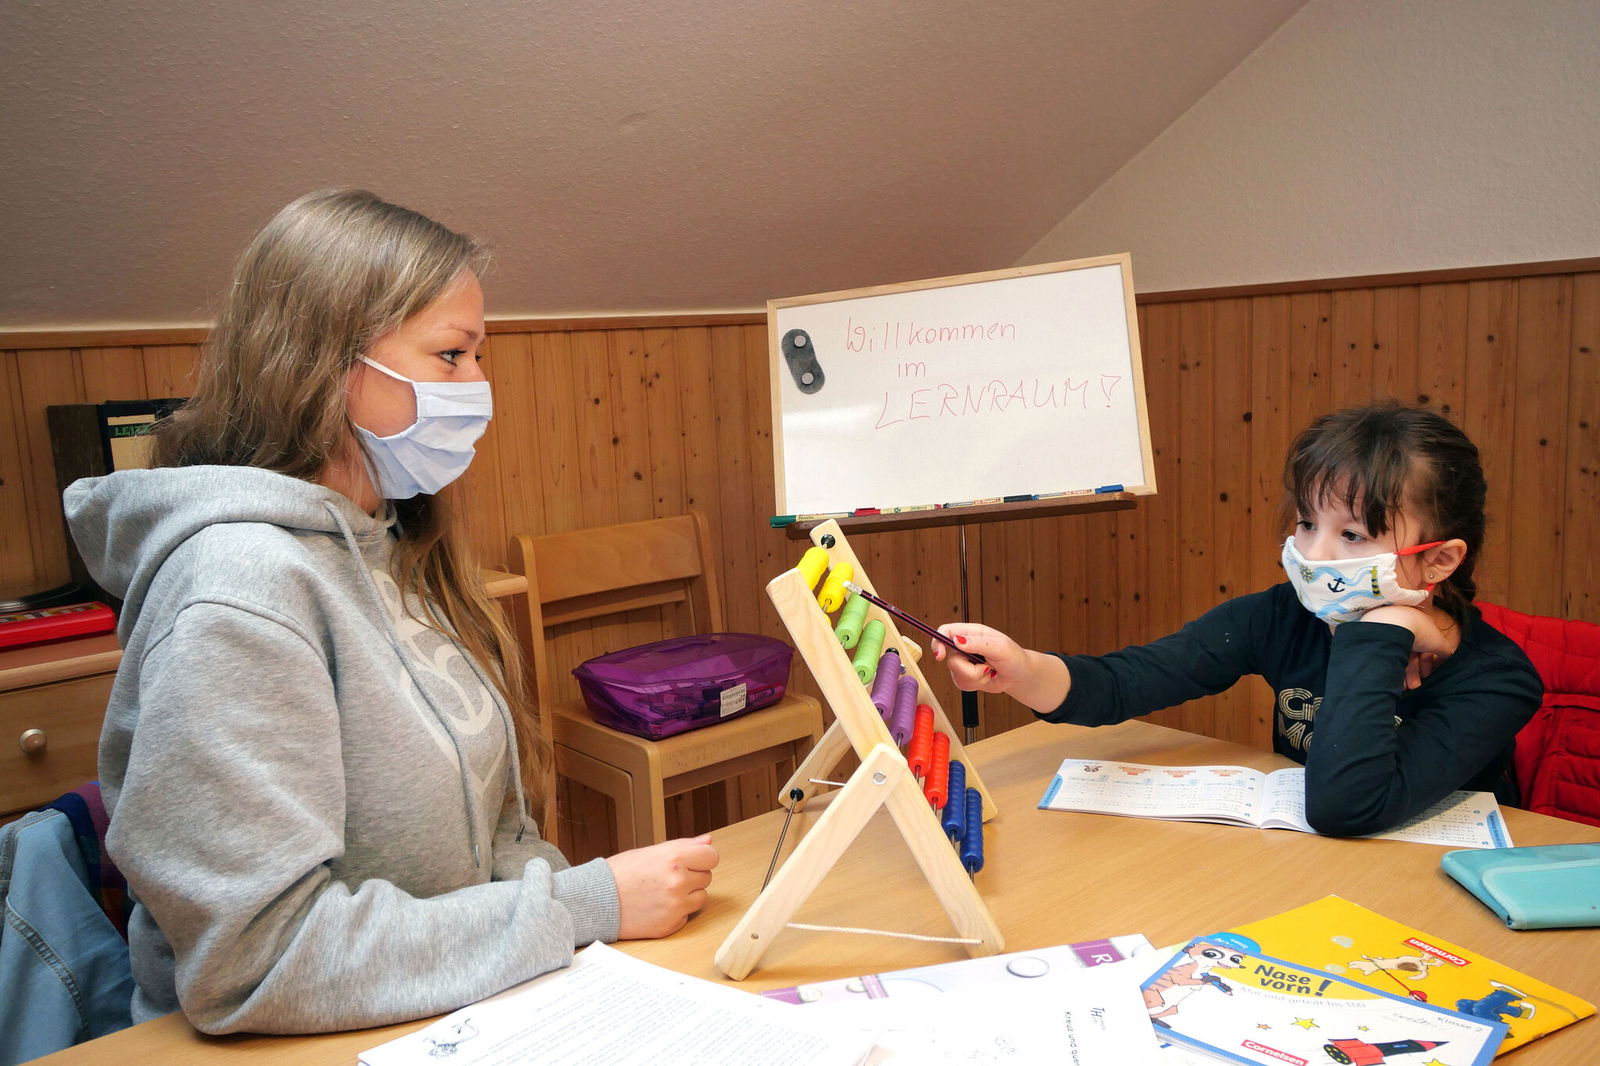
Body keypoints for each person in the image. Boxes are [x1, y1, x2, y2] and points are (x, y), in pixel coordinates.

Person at [63, 189, 718, 1035]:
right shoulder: (238, 588)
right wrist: (583, 906)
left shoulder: (395, 538)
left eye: (479, 355)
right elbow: (258, 963)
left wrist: (571, 929)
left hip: (453, 1011)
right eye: (451, 356)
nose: (478, 387)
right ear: (323, 364)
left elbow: (497, 838)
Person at [935, 402, 1542, 837]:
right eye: (1308, 523)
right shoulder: (1283, 615)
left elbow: (1345, 806)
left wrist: (1382, 631)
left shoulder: (1497, 679)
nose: (1314, 554)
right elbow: (1129, 681)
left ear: (1439, 560)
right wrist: (1020, 670)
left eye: (1352, 534)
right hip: (1311, 869)